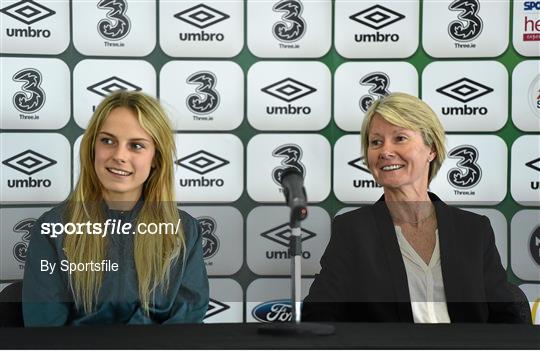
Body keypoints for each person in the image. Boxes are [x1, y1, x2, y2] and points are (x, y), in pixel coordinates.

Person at [302, 92, 527, 323]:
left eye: (400, 138)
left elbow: (508, 321)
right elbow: (318, 317)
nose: (385, 151)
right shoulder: (353, 231)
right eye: (376, 142)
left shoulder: (473, 230)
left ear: (431, 149)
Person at [23, 91, 209, 326]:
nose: (119, 155)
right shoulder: (52, 228)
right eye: (108, 141)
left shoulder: (185, 231)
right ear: (92, 148)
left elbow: (187, 325)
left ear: (156, 158)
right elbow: (44, 330)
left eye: (136, 146)